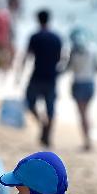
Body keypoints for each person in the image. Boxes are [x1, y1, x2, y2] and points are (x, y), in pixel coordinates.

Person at [19, 9, 63, 147]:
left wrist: (19, 73)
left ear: (38, 20)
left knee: (30, 103)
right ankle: (47, 133)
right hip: (52, 76)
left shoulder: (35, 37)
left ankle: (42, 125)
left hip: (37, 75)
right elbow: (61, 58)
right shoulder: (57, 38)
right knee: (50, 108)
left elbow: (27, 56)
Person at [66, 28, 97, 151]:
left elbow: (69, 68)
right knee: (86, 113)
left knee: (82, 115)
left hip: (78, 84)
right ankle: (88, 139)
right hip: (90, 84)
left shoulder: (74, 51)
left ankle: (87, 141)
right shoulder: (94, 48)